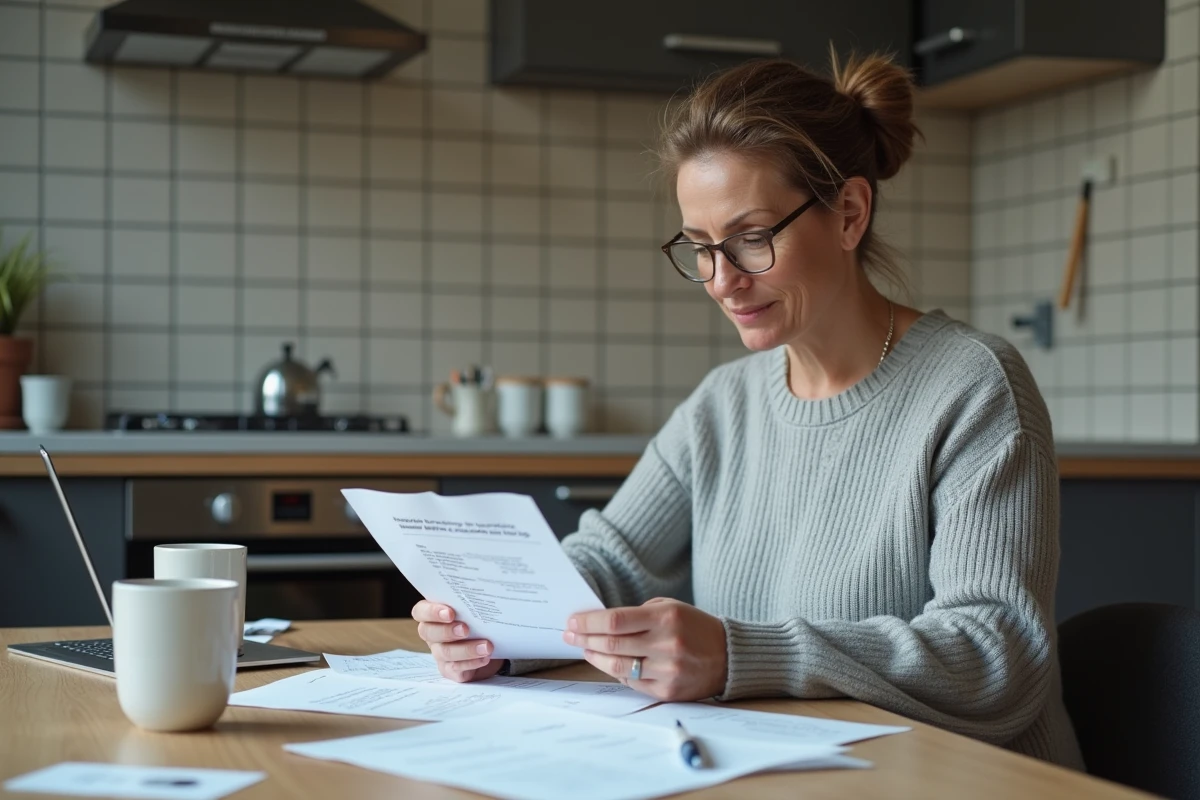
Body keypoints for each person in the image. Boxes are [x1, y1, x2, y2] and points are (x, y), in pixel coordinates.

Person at [413, 51, 1084, 769]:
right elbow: (607, 561)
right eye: (700, 247)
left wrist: (739, 653)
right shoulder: (724, 403)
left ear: (850, 213)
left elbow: (999, 653)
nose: (722, 280)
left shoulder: (972, 386)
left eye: (752, 238)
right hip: (788, 776)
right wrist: (497, 627)